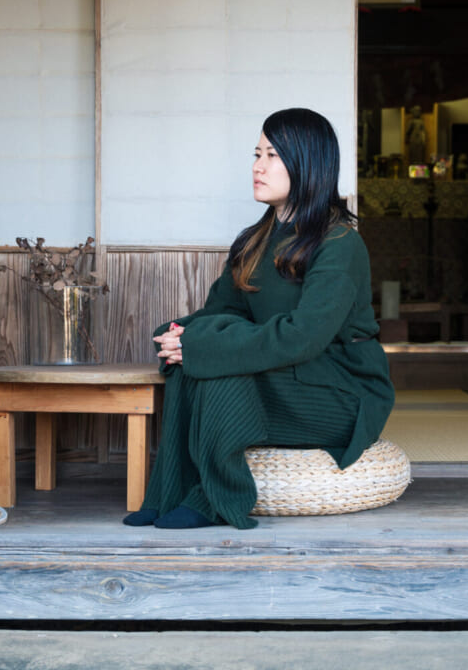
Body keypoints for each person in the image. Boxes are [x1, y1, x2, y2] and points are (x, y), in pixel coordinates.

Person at [123, 108, 395, 530]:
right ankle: (168, 493)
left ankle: (215, 499)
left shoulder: (340, 242)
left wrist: (201, 346)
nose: (258, 167)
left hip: (341, 389)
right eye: (257, 154)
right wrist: (176, 335)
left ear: (307, 163)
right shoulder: (255, 240)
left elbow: (304, 337)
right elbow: (221, 312)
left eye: (272, 155)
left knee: (217, 364)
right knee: (194, 356)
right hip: (285, 375)